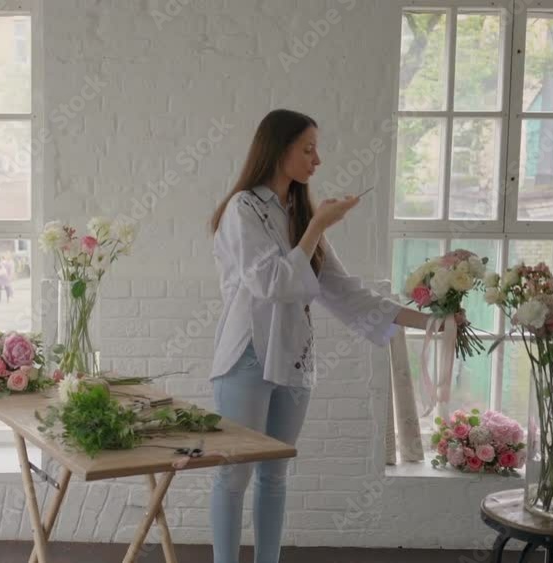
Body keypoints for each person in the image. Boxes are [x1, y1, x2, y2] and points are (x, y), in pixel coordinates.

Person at [208, 109, 435, 563]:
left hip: (293, 359)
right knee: (234, 476)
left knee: (276, 476)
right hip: (246, 358)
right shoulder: (243, 209)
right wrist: (317, 227)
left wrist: (429, 322)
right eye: (308, 149)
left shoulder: (300, 212)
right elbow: (272, 284)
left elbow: (343, 290)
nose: (318, 160)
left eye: (316, 149)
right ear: (278, 150)